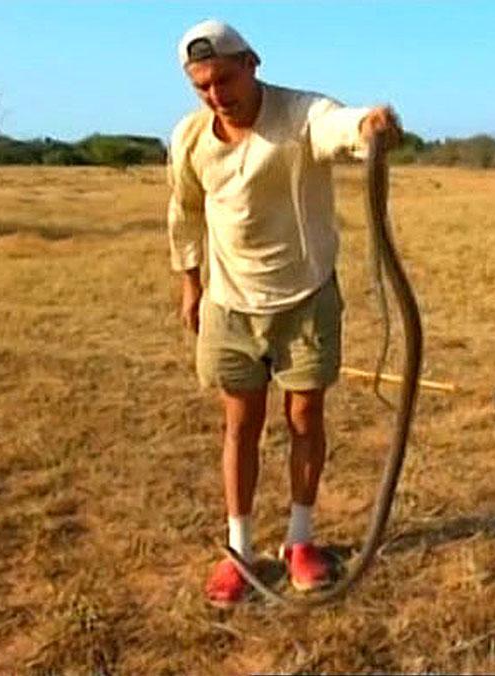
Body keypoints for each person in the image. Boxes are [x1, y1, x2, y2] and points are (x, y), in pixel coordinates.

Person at [167, 19, 402, 607]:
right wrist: (191, 285)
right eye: (203, 87)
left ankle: (300, 541)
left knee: (304, 417)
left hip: (304, 298)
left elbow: (338, 127)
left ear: (252, 62)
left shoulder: (299, 116)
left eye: (224, 78)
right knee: (240, 425)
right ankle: (239, 549)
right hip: (229, 301)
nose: (217, 95)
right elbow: (186, 213)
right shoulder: (191, 138)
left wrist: (372, 124)